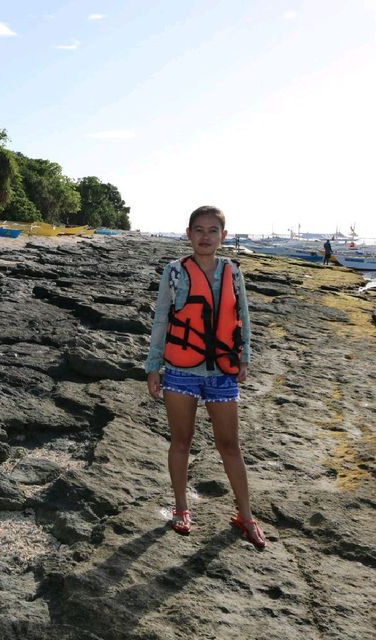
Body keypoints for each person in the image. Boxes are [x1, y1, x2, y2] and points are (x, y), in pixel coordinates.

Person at [145, 205, 266, 549]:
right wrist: (153, 366)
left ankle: (246, 515)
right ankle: (182, 509)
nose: (205, 237)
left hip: (222, 372)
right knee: (181, 441)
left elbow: (242, 316)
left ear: (223, 236)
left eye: (213, 230)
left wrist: (244, 358)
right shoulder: (173, 272)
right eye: (199, 230)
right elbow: (161, 320)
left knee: (230, 445)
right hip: (180, 371)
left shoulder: (233, 272)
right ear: (188, 234)